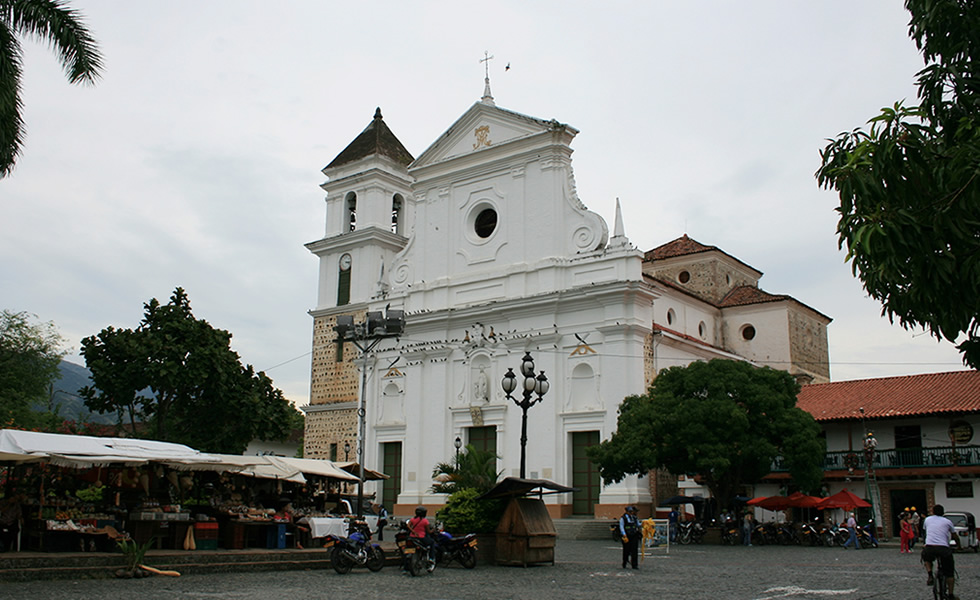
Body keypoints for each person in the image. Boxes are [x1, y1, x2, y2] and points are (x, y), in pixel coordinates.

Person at [922, 504, 957, 599]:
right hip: (943, 548)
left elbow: (926, 532)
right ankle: (950, 594)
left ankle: (930, 574)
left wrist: (925, 543)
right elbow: (954, 535)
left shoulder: (927, 520)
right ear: (943, 513)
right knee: (950, 572)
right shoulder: (948, 522)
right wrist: (959, 546)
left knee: (926, 557)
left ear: (933, 512)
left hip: (930, 547)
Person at [619, 505, 640, 569]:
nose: (631, 513)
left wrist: (645, 523)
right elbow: (621, 526)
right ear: (627, 512)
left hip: (634, 534)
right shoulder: (623, 518)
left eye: (632, 511)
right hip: (627, 535)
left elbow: (638, 524)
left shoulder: (634, 518)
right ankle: (624, 562)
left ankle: (634, 564)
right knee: (626, 550)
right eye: (630, 512)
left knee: (634, 550)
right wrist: (624, 534)